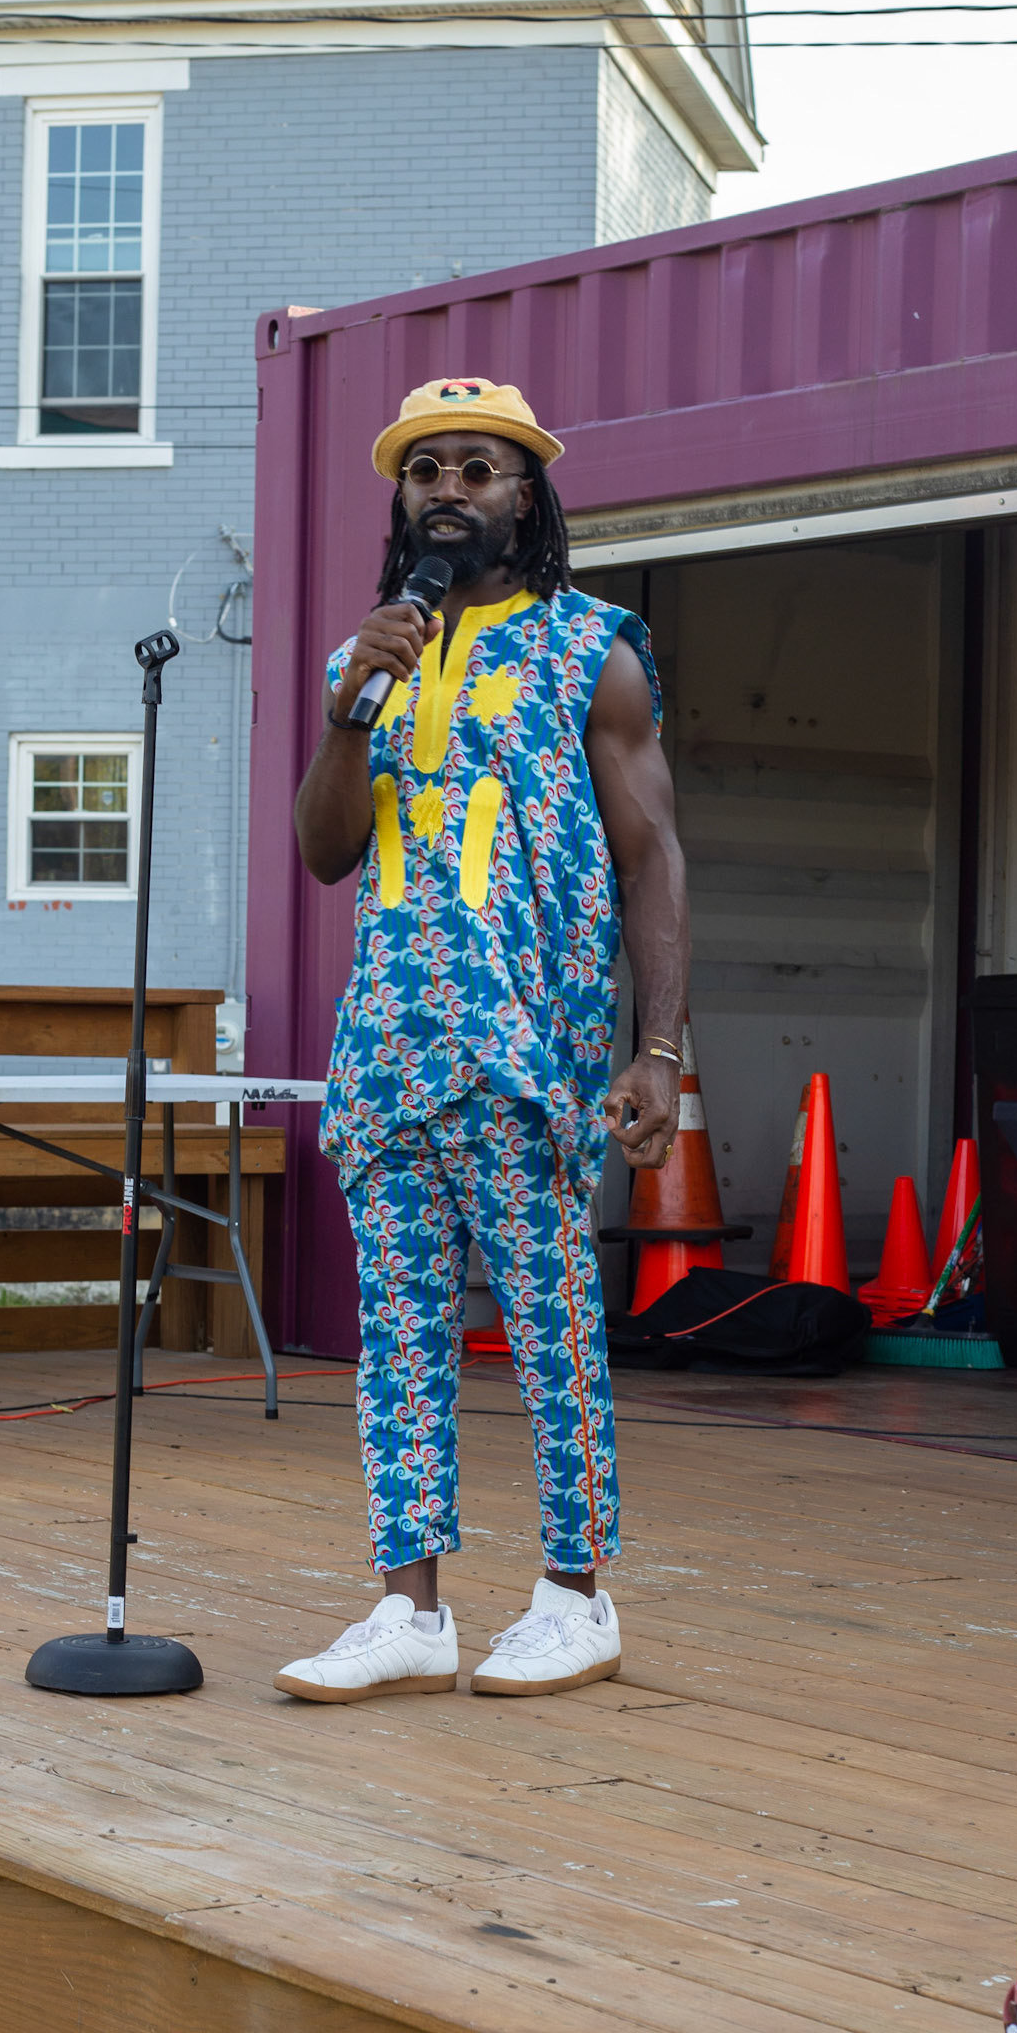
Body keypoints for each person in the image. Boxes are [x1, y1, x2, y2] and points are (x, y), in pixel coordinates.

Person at [277, 376, 689, 1704]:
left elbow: (652, 852)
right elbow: (324, 851)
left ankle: (576, 1596)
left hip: (529, 1049)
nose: (447, 490)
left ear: (527, 495)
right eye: (425, 470)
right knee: (398, 1339)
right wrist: (351, 707)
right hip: (389, 1052)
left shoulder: (591, 647)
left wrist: (659, 1049)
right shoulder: (365, 660)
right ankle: (412, 1609)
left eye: (478, 468)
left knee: (549, 1329)